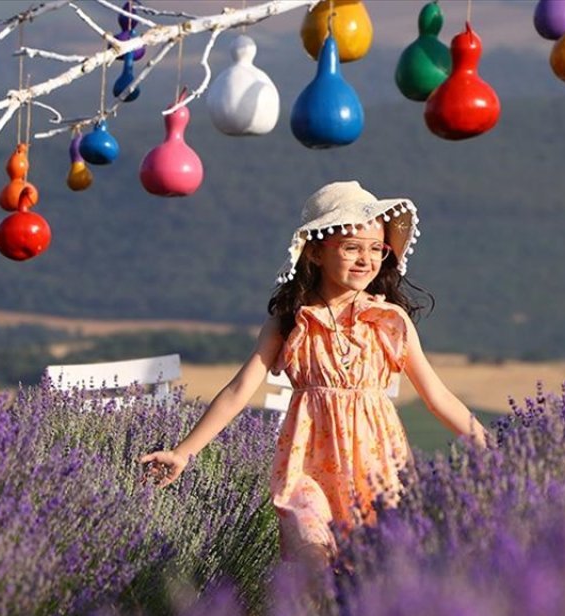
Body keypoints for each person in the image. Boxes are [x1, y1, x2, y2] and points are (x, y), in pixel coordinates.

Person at [140, 180, 487, 569]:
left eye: (376, 249)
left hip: (378, 469)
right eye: (351, 247)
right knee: (312, 561)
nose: (366, 259)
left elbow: (437, 397)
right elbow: (239, 391)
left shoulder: (389, 320)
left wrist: (491, 448)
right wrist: (183, 453)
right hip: (306, 467)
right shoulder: (290, 322)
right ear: (317, 252)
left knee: (374, 573)